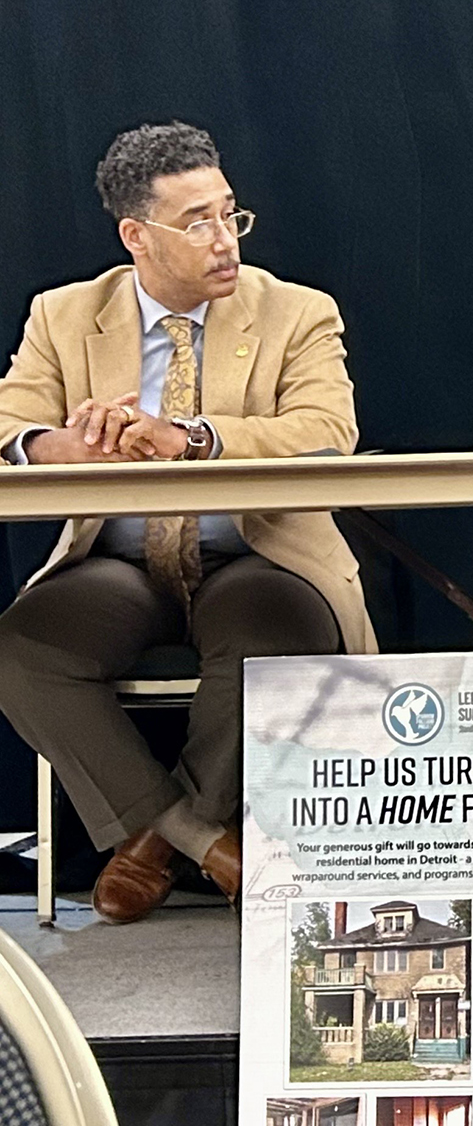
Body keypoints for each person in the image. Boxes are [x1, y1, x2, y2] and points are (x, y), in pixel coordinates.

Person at [0, 121, 372, 923]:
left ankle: (159, 843)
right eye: (196, 221)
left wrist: (196, 440)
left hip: (254, 550)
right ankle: (207, 842)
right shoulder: (64, 315)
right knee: (21, 650)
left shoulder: (297, 312)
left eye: (230, 214)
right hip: (121, 560)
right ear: (136, 235)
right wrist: (61, 447)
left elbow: (325, 431)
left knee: (273, 636)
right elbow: (10, 426)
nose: (223, 240)